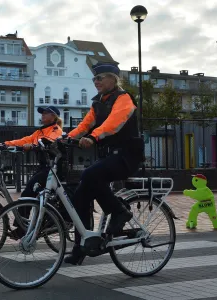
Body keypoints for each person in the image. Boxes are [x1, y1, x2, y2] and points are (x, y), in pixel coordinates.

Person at [63, 62, 145, 265]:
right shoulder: (98, 101)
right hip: (109, 157)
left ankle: (119, 212)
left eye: (99, 78)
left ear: (112, 79)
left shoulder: (123, 99)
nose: (96, 82)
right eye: (94, 79)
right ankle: (81, 247)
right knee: (80, 198)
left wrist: (94, 137)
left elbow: (114, 123)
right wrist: (65, 138)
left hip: (127, 157)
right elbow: (85, 124)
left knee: (90, 175)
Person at [0, 106, 63, 238]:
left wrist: (35, 145)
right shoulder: (39, 132)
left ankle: (22, 228)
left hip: (52, 169)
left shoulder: (56, 130)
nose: (43, 116)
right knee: (32, 194)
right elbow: (25, 140)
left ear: (53, 116)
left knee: (28, 192)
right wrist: (6, 144)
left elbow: (50, 141)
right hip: (43, 168)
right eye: (42, 113)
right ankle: (31, 223)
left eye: (46, 113)